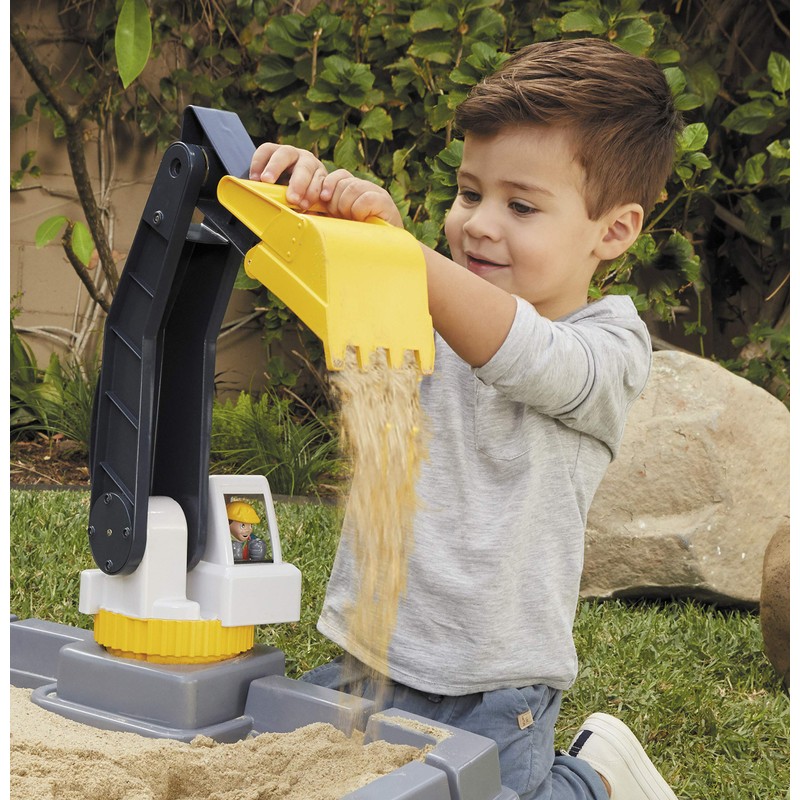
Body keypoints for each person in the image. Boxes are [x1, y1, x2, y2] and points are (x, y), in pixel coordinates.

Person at [249, 38, 683, 800]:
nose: (478, 224)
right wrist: (322, 210)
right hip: (370, 656)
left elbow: (520, 350)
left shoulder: (609, 349)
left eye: (520, 206)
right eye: (468, 192)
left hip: (496, 691)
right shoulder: (429, 297)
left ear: (612, 231)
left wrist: (402, 254)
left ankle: (597, 779)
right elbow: (357, 292)